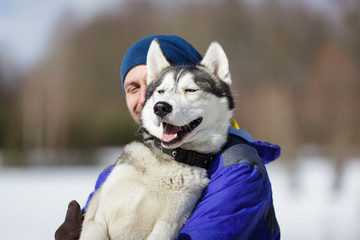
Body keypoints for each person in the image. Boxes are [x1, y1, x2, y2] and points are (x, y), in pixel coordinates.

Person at [55, 35, 281, 240]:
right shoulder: (113, 172)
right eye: (134, 88)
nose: (149, 99)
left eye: (189, 90)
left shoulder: (237, 168)